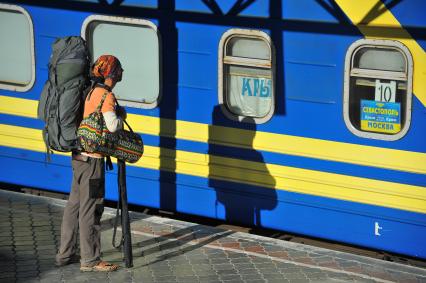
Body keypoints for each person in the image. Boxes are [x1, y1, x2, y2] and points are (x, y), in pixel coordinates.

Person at [55, 55, 126, 272]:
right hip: (93, 161)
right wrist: (122, 117)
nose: (121, 74)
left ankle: (64, 254)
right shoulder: (106, 95)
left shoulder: (89, 91)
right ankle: (91, 260)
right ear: (112, 74)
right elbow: (113, 126)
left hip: (78, 156)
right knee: (91, 209)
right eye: (119, 71)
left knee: (74, 206)